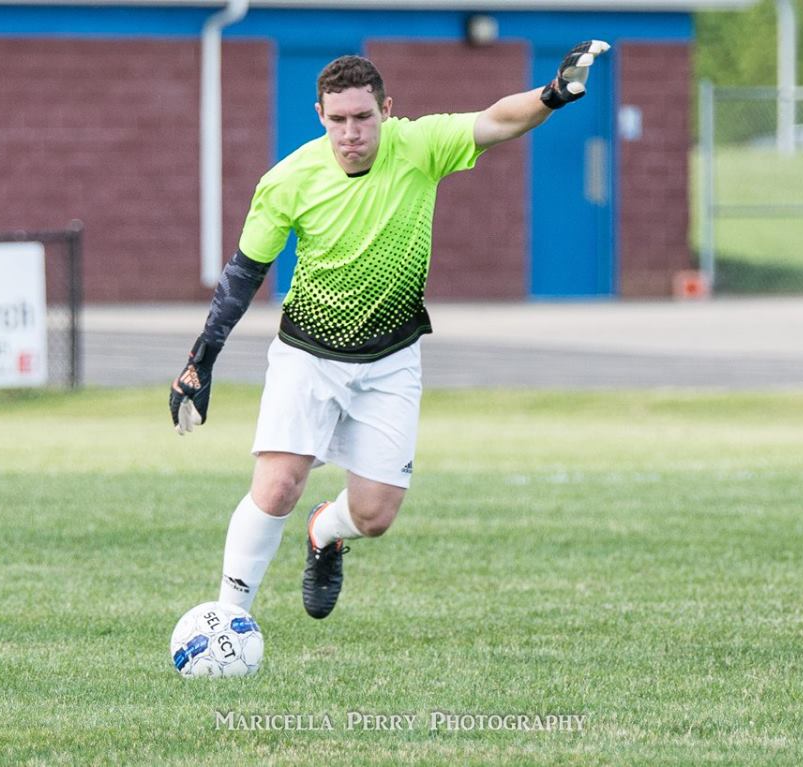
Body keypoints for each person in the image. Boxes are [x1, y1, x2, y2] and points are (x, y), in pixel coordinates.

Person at [170, 41, 610, 620]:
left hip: (391, 359)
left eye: (363, 117)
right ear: (320, 117)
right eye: (338, 120)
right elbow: (243, 275)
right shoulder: (287, 181)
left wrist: (553, 94)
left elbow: (497, 120)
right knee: (277, 486)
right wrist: (202, 359)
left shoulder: (419, 146)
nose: (351, 132)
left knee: (374, 516)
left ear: (386, 110)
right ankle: (228, 619)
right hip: (308, 354)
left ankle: (325, 533)